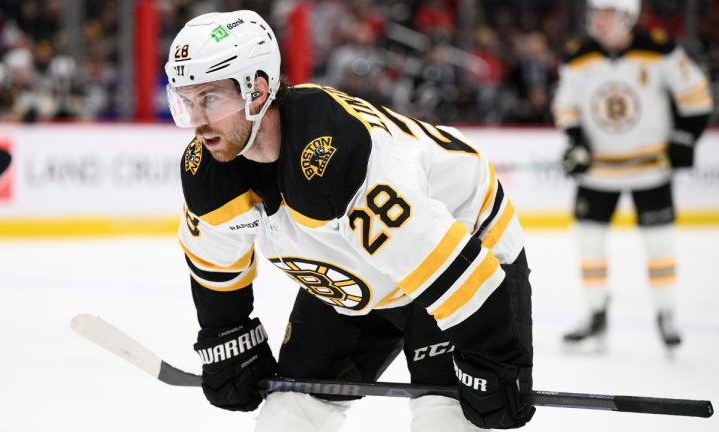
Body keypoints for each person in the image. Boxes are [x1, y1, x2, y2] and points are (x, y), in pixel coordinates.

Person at [165, 10, 535, 431]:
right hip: (359, 270)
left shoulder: (341, 160)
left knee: (444, 420)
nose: (196, 122)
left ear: (258, 90)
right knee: (288, 420)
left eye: (210, 99)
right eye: (187, 101)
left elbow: (445, 264)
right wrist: (228, 338)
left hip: (462, 246)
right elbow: (214, 265)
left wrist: (495, 358)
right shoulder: (211, 171)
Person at [552, 0, 713, 350]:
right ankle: (595, 315)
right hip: (598, 172)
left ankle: (666, 314)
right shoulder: (578, 56)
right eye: (595, 12)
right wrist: (575, 142)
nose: (598, 20)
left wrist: (684, 139)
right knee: (588, 242)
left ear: (627, 16)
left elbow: (697, 96)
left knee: (660, 247)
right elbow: (566, 107)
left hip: (650, 170)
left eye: (606, 12)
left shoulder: (659, 49)